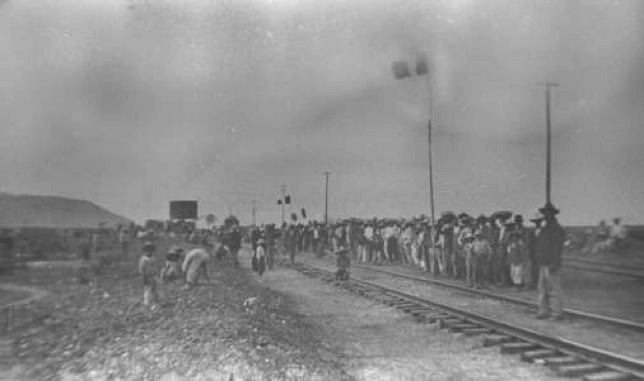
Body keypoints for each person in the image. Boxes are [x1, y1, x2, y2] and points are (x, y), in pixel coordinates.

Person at [536, 202, 566, 320]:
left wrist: (554, 262)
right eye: (544, 213)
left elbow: (557, 248)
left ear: (552, 214)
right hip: (543, 262)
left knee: (554, 289)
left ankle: (557, 312)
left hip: (551, 263)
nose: (545, 215)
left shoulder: (556, 229)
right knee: (542, 288)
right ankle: (543, 311)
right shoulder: (545, 228)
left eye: (548, 213)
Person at [139, 241, 159, 307]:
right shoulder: (143, 259)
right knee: (147, 290)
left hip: (153, 276)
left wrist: (156, 275)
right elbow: (142, 270)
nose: (149, 251)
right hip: (147, 276)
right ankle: (147, 304)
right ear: (145, 250)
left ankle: (155, 303)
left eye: (151, 249)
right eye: (148, 249)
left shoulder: (153, 258)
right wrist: (143, 279)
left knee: (155, 290)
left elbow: (155, 267)